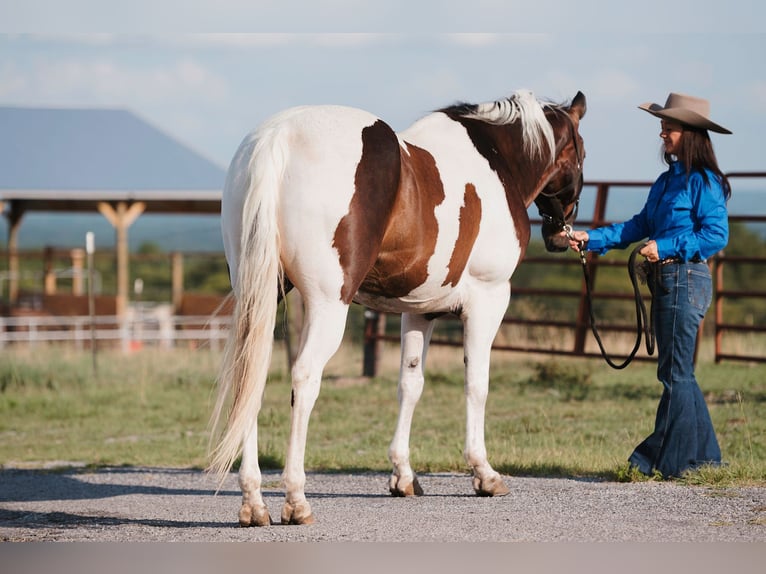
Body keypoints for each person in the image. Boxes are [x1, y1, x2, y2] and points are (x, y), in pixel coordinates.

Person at [563, 92, 732, 478]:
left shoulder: (703, 182)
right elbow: (639, 226)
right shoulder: (667, 182)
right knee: (679, 374)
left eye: (668, 128)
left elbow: (716, 236)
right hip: (669, 282)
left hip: (685, 278)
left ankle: (655, 460)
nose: (662, 134)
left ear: (689, 133)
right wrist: (594, 239)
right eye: (663, 127)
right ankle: (704, 460)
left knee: (674, 375)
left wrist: (668, 246)